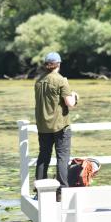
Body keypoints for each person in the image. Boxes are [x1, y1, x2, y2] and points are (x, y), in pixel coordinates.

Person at [34, 52, 78, 200]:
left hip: (43, 126)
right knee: (62, 158)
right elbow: (70, 104)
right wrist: (75, 96)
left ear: (46, 64)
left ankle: (39, 190)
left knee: (43, 157)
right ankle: (62, 191)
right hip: (60, 126)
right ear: (58, 64)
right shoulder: (61, 80)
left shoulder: (39, 81)